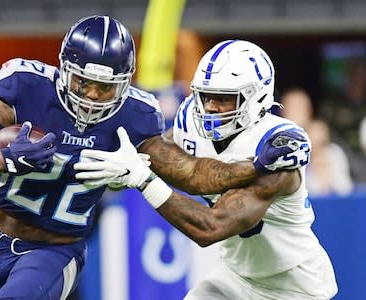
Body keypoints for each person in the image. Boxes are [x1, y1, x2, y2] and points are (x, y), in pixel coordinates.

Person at [0, 17, 303, 299]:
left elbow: (192, 174)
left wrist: (254, 165)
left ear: (125, 83)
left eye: (106, 87)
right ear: (65, 71)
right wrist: (2, 160)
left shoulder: (134, 116)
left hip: (55, 250)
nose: (93, 96)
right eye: (83, 83)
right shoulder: (27, 88)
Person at [75, 40, 337, 299]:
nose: (210, 107)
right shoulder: (191, 120)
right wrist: (125, 162)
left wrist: (144, 179)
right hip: (235, 276)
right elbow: (177, 164)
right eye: (205, 96)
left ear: (256, 98)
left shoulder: (276, 148)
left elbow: (211, 227)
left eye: (224, 99)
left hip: (293, 286)